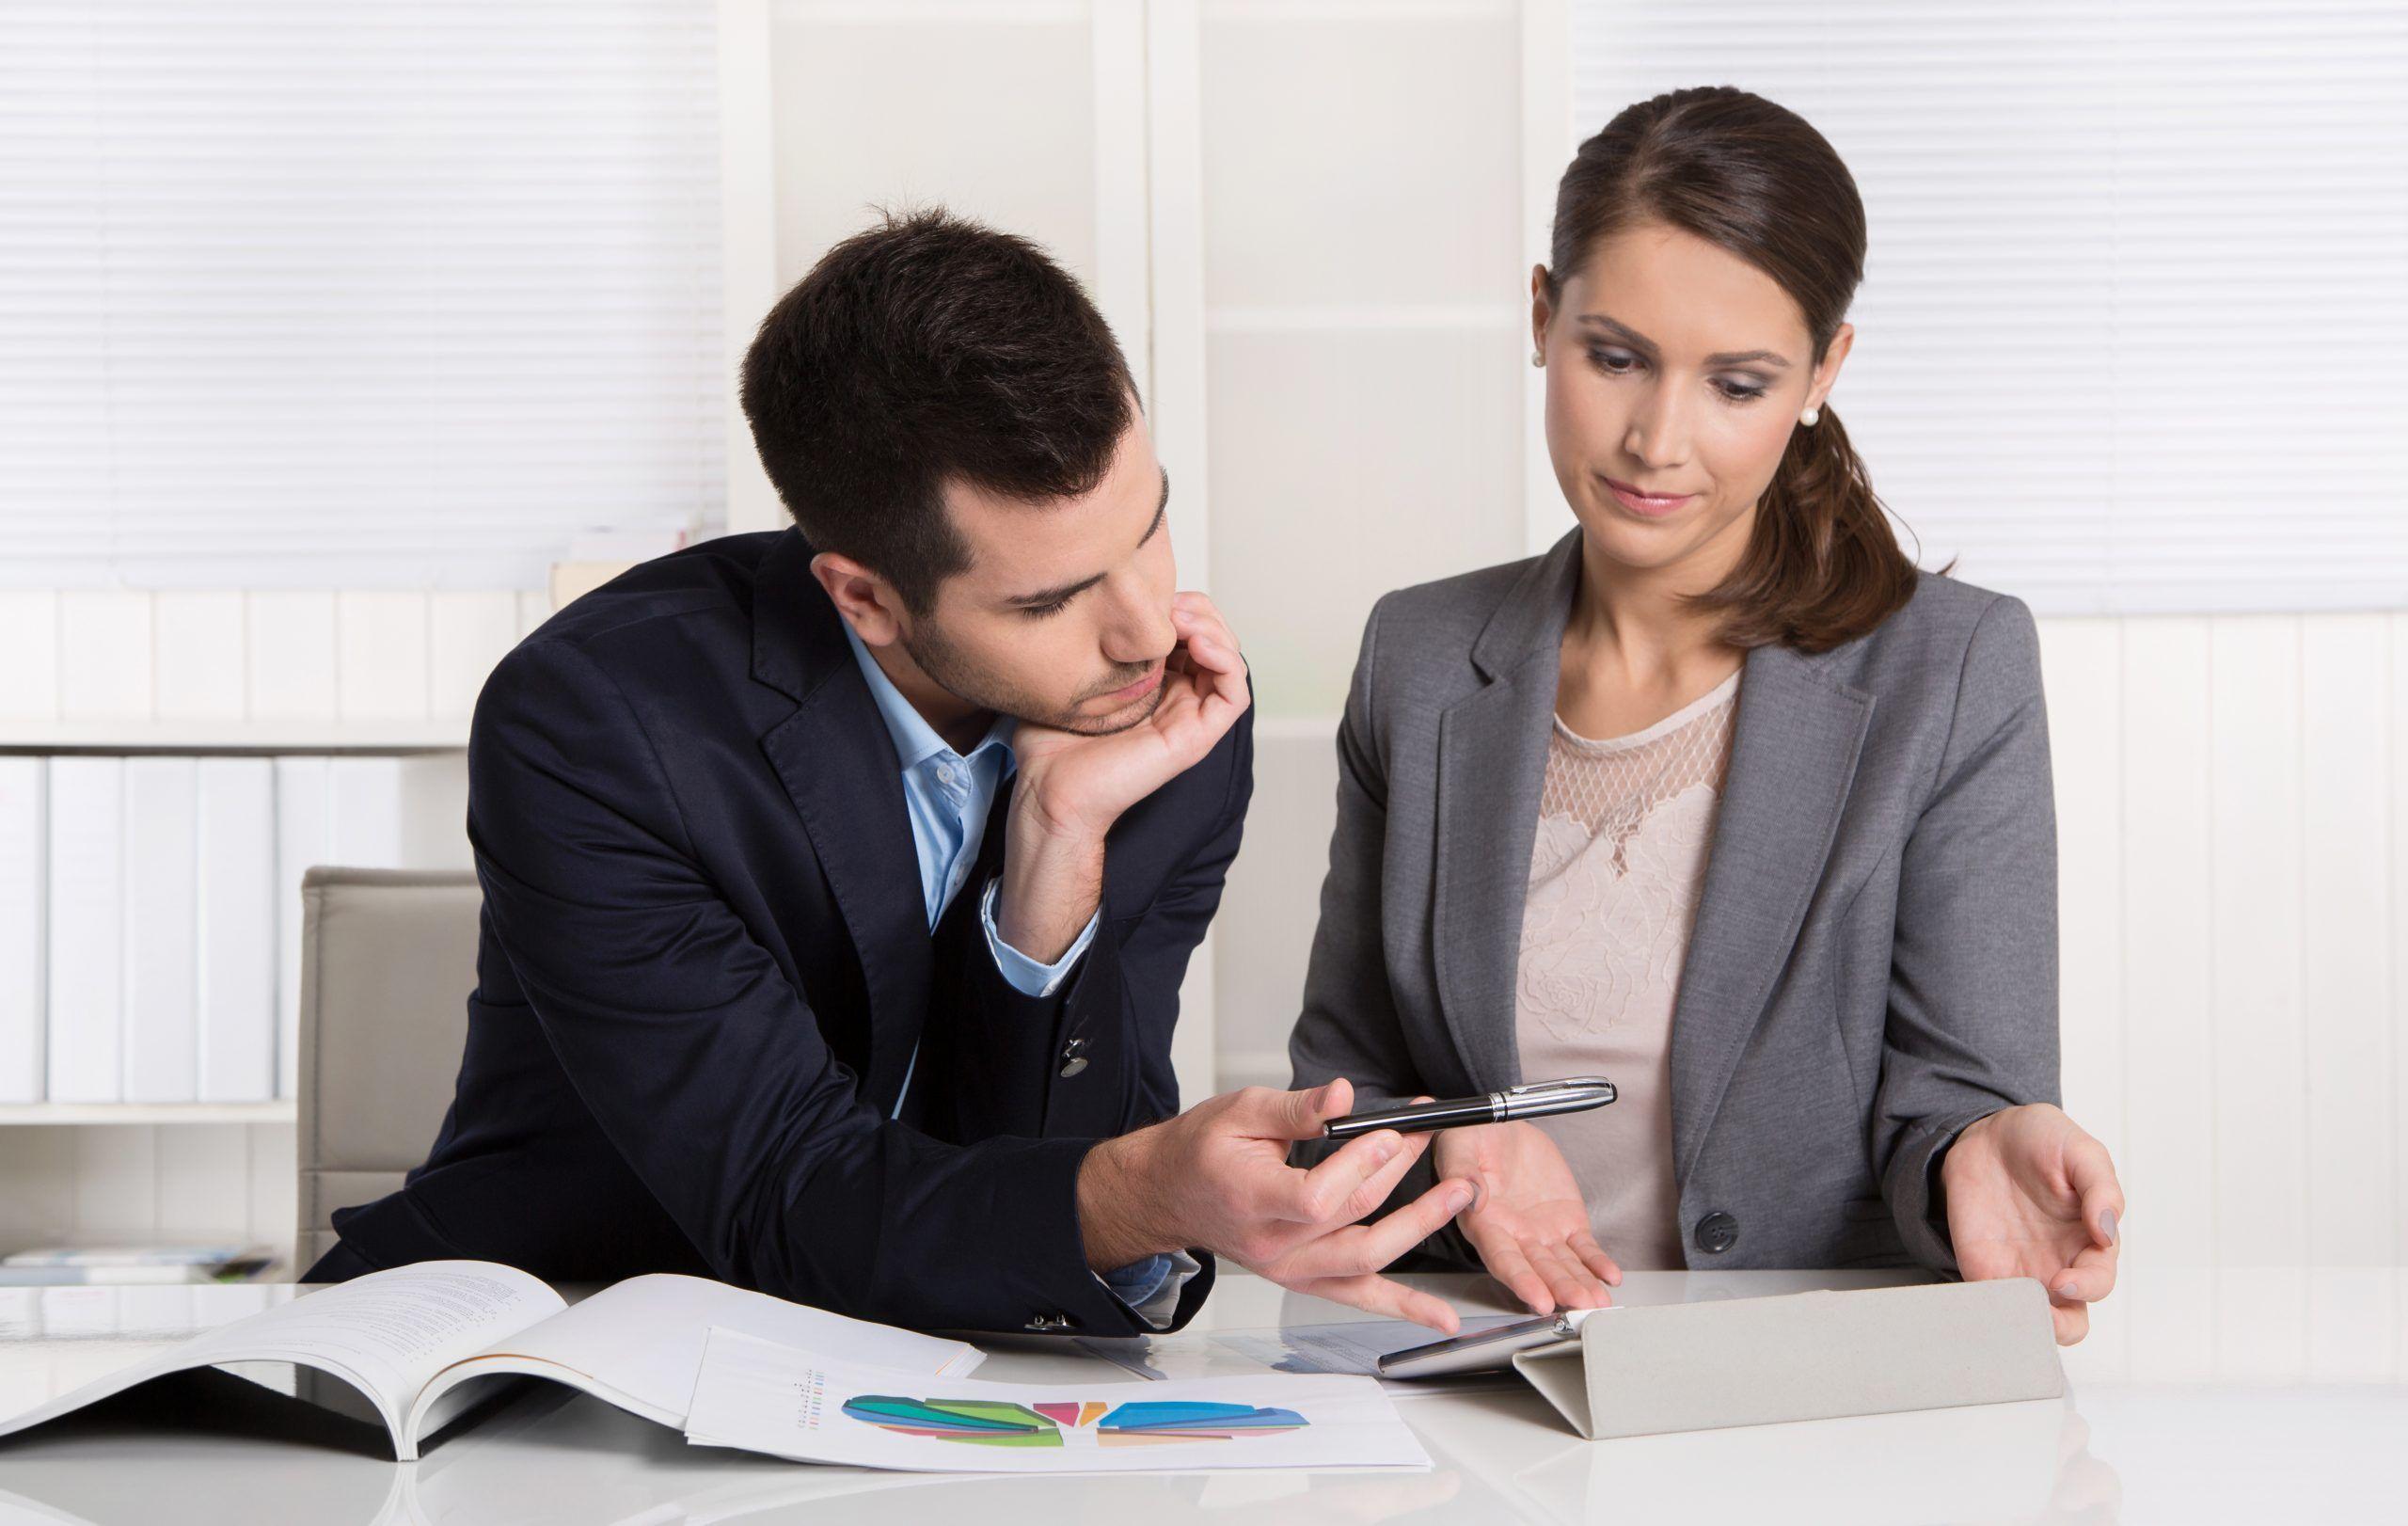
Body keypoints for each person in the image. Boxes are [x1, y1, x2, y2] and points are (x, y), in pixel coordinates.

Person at [303, 209, 1474, 1337]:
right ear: (862, 596)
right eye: (1049, 597)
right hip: (558, 1332)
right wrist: (1144, 1195)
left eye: (1148, 528)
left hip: (922, 1369)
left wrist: (1057, 846)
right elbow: (784, 1186)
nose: (1142, 626)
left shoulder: (1158, 719)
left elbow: (1045, 1161)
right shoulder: (601, 721)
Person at [1288, 87, 2126, 1345]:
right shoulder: (1418, 657)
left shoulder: (1951, 671)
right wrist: (1464, 1152)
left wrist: (1982, 1147)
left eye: (1736, 382)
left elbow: (1958, 1093)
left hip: (1804, 1396)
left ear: (1822, 373)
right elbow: (1337, 1100)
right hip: (1478, 1378)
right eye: (1615, 356)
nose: (1654, 439)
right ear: (1539, 316)